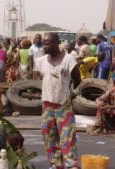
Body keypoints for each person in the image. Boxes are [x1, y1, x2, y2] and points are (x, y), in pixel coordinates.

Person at [34, 33, 81, 169]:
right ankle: (56, 164)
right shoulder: (41, 61)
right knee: (49, 135)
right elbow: (38, 77)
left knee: (67, 136)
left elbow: (77, 79)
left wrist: (71, 93)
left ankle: (71, 164)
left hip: (63, 104)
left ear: (57, 43)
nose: (45, 46)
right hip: (47, 104)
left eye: (48, 43)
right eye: (44, 43)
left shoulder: (68, 60)